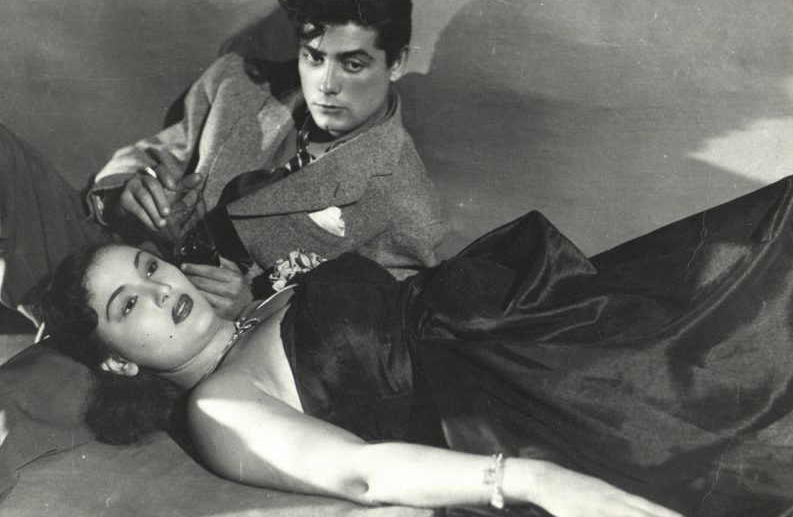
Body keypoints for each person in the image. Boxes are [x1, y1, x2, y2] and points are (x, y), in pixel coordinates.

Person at [40, 176, 793, 517]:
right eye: (127, 304)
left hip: (538, 319)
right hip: (530, 388)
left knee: (755, 247)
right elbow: (361, 474)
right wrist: (531, 482)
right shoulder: (219, 408)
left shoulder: (254, 305)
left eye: (149, 267)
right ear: (117, 360)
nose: (159, 288)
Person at [0, 0, 446, 317]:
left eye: (353, 64)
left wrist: (253, 308)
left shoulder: (406, 205)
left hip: (195, 339)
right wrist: (125, 193)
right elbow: (155, 154)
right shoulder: (239, 84)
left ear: (396, 63)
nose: (326, 85)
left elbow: (374, 331)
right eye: (313, 57)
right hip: (118, 261)